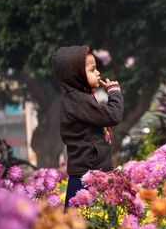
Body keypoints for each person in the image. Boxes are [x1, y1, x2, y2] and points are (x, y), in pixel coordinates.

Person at [52, 45, 124, 209]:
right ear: (76, 76)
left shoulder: (80, 98)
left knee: (92, 224)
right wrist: (114, 92)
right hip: (87, 176)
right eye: (92, 70)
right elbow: (112, 115)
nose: (98, 73)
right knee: (89, 222)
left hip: (89, 172)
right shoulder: (78, 100)